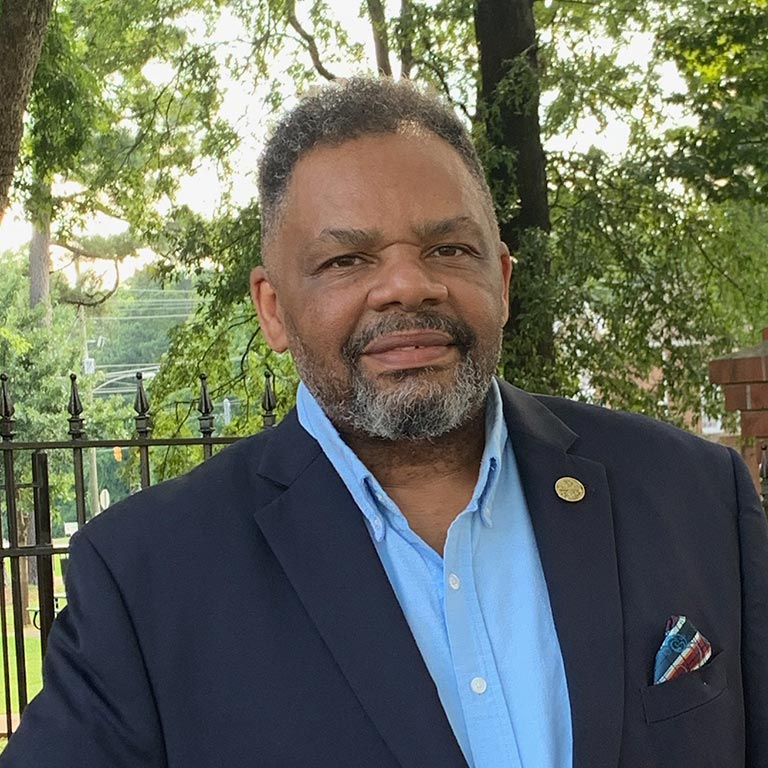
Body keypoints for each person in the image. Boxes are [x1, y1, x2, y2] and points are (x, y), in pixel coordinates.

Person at [2, 77, 767, 768]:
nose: (408, 284)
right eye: (347, 261)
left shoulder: (694, 498)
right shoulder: (147, 577)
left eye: (449, 247)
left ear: (499, 279)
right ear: (273, 308)